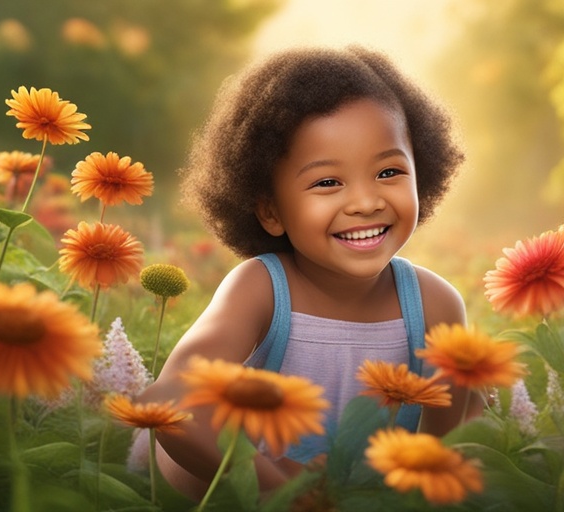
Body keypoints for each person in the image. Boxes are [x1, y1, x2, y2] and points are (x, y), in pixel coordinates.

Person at [135, 45, 477, 497]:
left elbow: (449, 451)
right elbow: (168, 402)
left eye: (389, 171)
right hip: (225, 491)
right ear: (271, 211)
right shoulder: (262, 288)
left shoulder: (436, 305)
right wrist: (277, 487)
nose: (365, 202)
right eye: (327, 182)